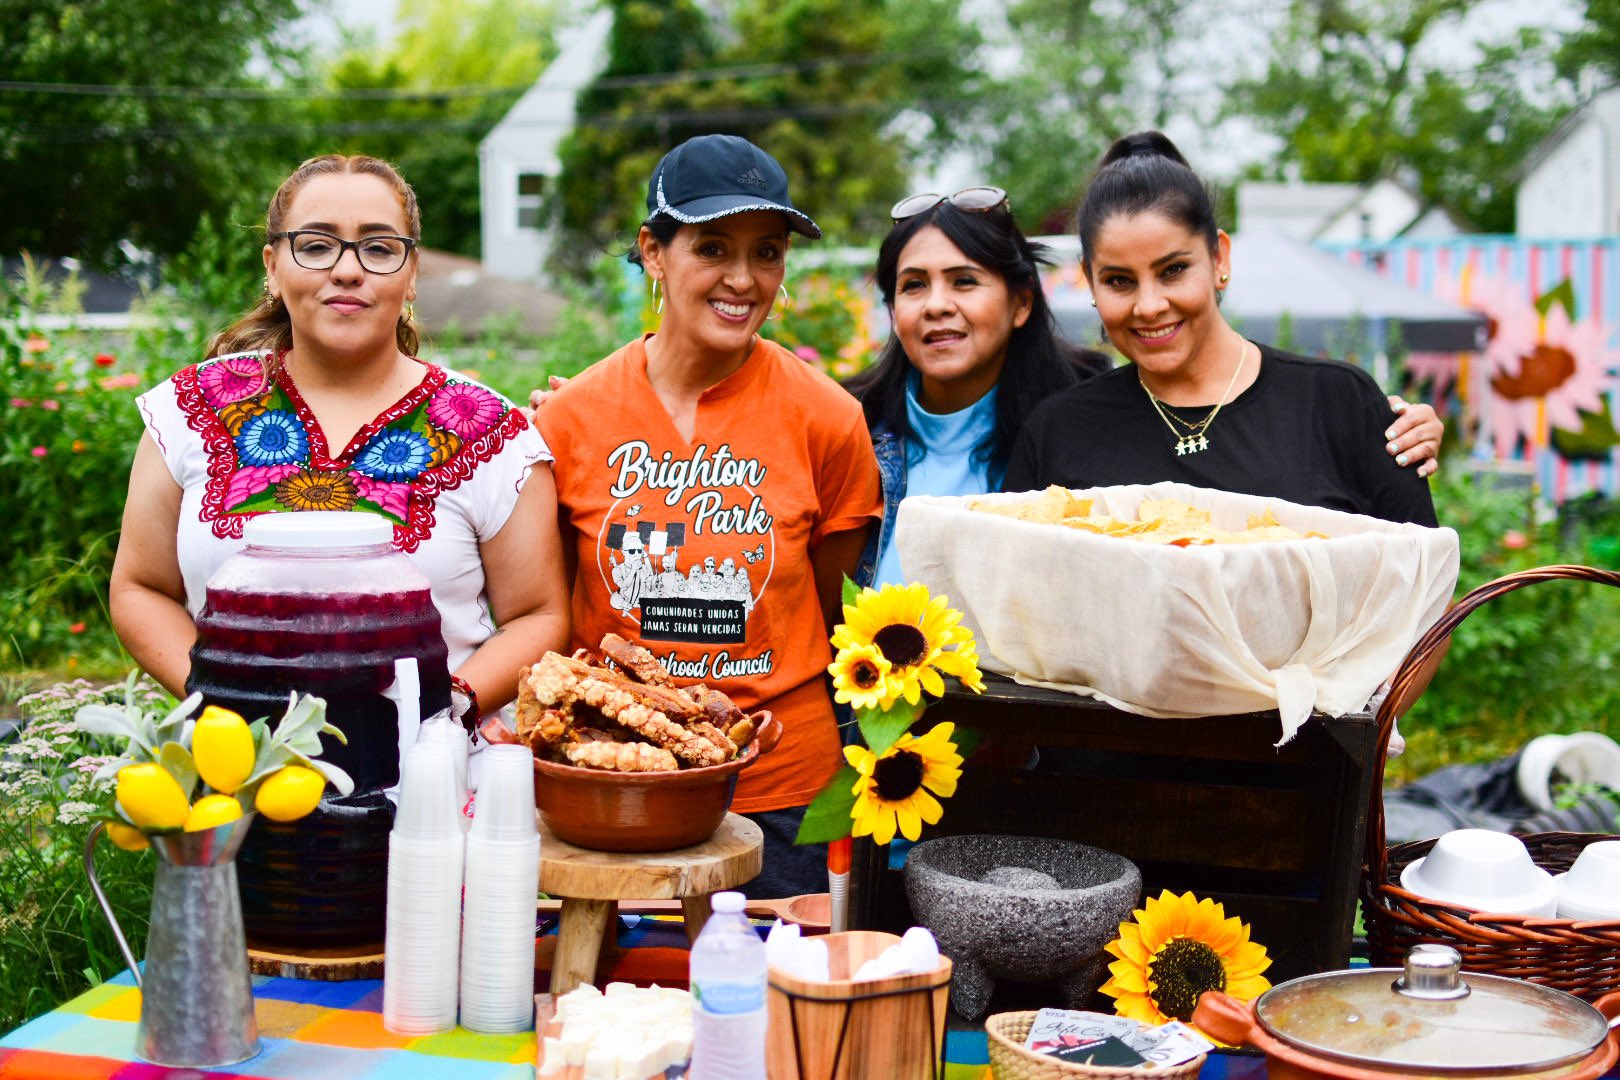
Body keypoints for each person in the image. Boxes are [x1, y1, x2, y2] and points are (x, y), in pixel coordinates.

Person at [535, 135, 883, 897]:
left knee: (775, 1009)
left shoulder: (827, 420)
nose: (742, 278)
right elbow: (548, 614)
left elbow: (826, 608)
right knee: (619, 1009)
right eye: (713, 247)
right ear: (652, 252)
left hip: (783, 796)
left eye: (767, 252)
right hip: (619, 782)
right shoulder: (569, 419)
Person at [110, 153, 570, 720]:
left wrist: (437, 711)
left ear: (412, 274)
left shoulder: (493, 432)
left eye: (378, 248)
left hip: (430, 783)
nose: (347, 269)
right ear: (273, 266)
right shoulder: (189, 409)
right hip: (237, 776)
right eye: (317, 244)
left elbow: (539, 616)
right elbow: (140, 587)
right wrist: (223, 708)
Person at [850, 185, 1444, 588]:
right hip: (873, 738)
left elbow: (1419, 582)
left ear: (1022, 302)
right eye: (913, 286)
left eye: (964, 281)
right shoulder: (845, 429)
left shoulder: (1063, 419)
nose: (937, 307)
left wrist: (1390, 426)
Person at [1005, 132, 1438, 528]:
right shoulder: (1058, 433)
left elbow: (1422, 588)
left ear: (1220, 259)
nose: (1150, 305)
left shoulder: (1338, 404)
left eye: (1173, 270)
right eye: (1119, 280)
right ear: (1090, 281)